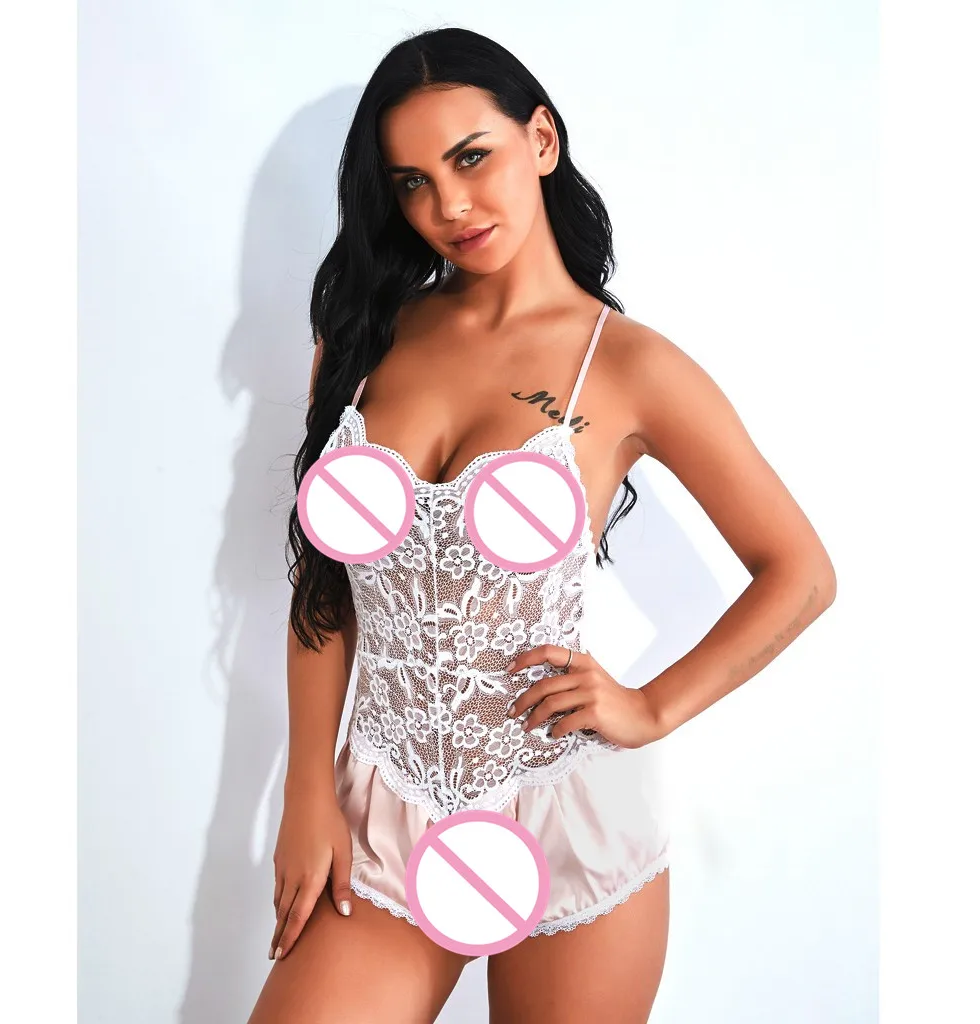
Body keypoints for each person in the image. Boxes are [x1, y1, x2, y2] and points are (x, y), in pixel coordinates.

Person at [247, 25, 837, 1024]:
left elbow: (801, 571)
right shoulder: (361, 338)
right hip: (382, 809)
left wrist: (649, 707)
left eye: (470, 158)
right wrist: (309, 787)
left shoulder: (631, 366)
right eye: (412, 183)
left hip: (567, 813)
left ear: (542, 140)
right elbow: (326, 580)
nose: (448, 206)